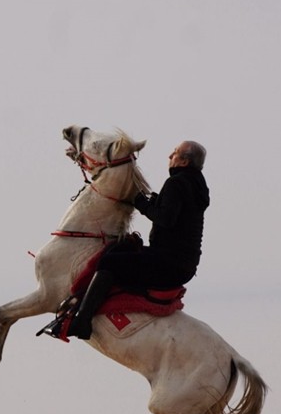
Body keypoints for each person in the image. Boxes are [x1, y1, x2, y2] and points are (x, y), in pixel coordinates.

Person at [66, 140, 210, 340]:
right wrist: (151, 200)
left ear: (184, 162)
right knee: (120, 249)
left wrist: (140, 201)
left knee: (110, 261)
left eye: (175, 153)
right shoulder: (196, 185)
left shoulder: (177, 183)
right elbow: (173, 213)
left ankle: (82, 320)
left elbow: (165, 218)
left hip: (168, 263)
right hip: (182, 264)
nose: (170, 156)